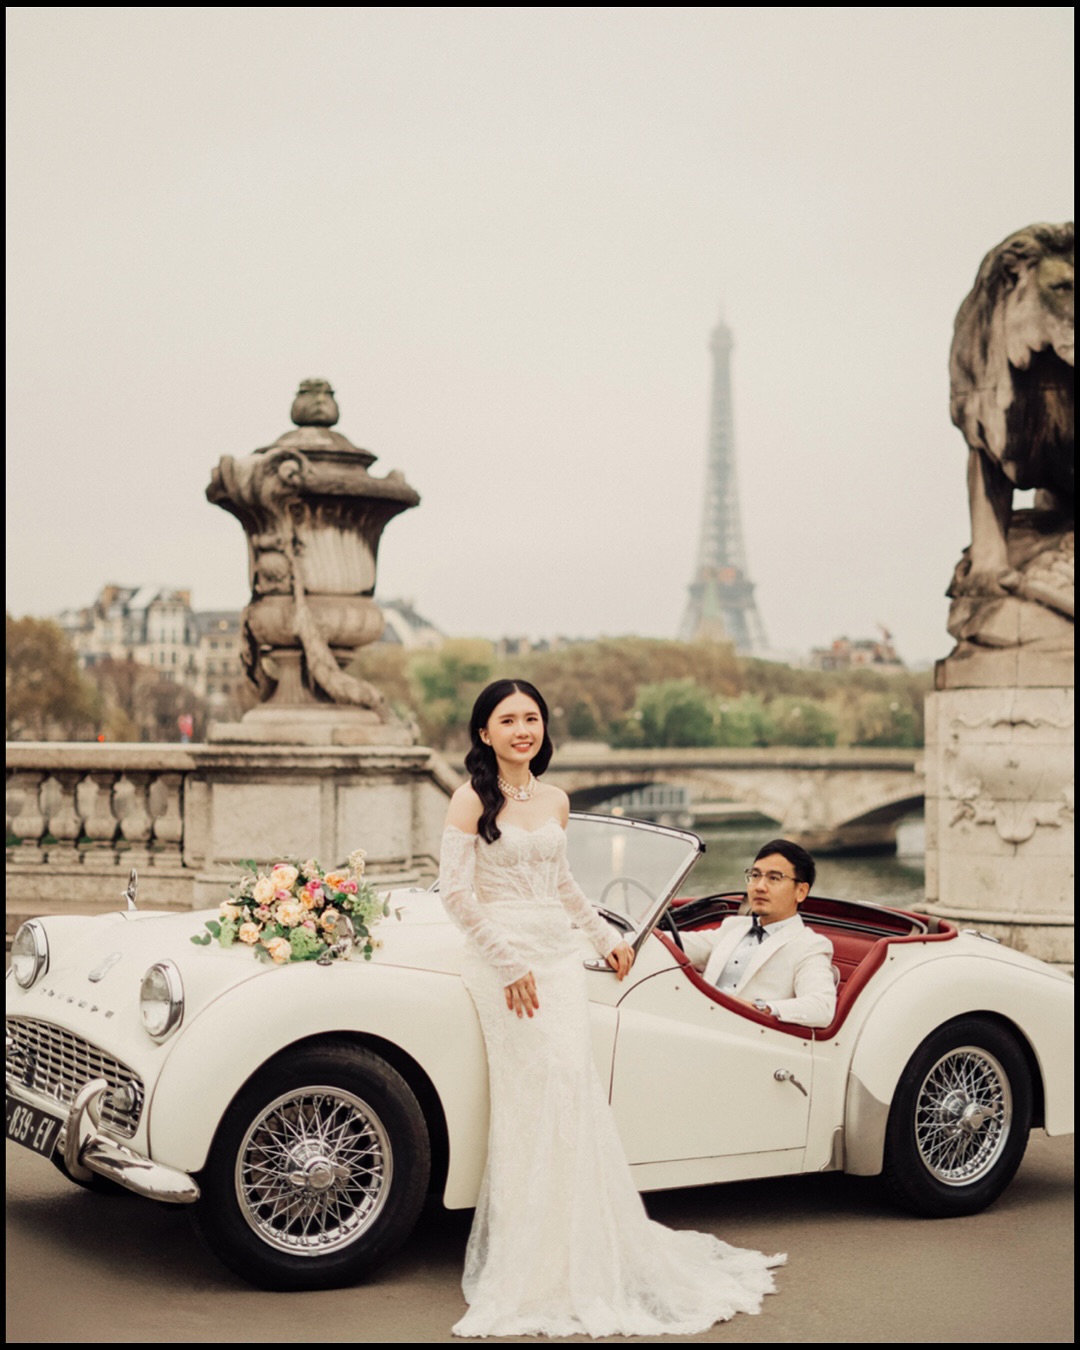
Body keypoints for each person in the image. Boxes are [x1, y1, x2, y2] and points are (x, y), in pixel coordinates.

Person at [438, 678, 784, 1339]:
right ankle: (533, 1262)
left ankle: (582, 1246)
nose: (522, 729)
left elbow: (564, 884)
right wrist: (509, 964)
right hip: (503, 960)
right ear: (484, 733)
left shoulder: (558, 799)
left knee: (573, 1091)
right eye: (507, 719)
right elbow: (456, 894)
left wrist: (605, 937)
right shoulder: (468, 798)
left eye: (531, 718)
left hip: (560, 960)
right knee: (531, 1098)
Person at [681, 839, 837, 1029]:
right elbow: (677, 943)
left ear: (801, 891)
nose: (759, 887)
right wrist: (634, 940)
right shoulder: (733, 927)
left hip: (749, 1039)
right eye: (755, 875)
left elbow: (822, 1007)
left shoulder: (810, 945)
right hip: (695, 1025)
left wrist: (759, 1008)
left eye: (774, 878)